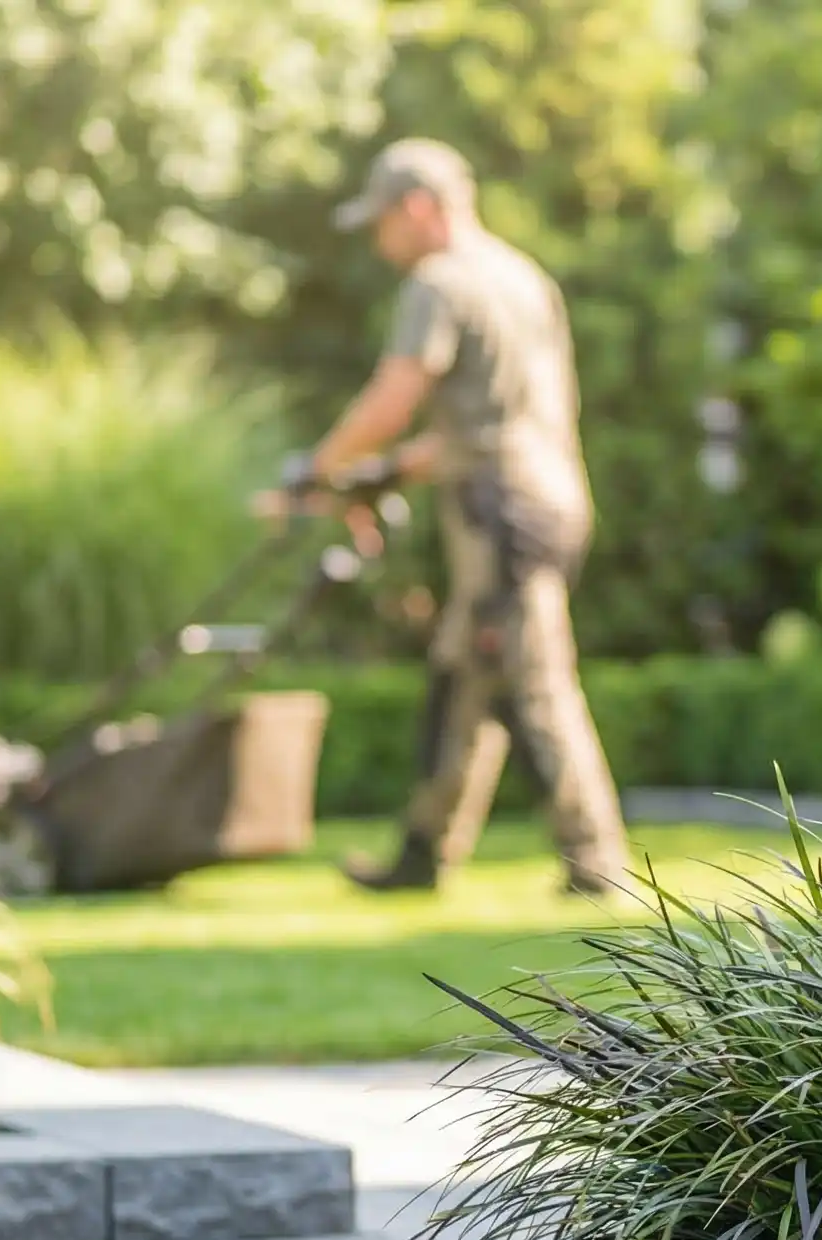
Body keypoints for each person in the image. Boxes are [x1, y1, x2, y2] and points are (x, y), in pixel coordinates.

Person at [266, 138, 629, 895]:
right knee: (462, 676)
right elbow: (486, 424)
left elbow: (395, 396)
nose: (378, 240)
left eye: (381, 222)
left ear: (421, 207)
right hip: (547, 496)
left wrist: (316, 471)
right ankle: (422, 853)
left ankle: (596, 862)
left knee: (533, 682)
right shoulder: (523, 278)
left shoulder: (440, 282)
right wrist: (387, 472)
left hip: (501, 513)